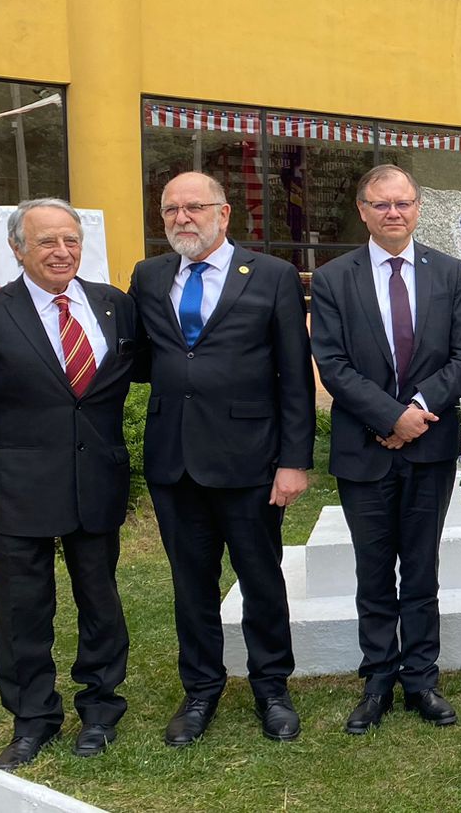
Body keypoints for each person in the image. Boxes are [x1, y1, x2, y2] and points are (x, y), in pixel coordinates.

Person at [0, 198, 137, 770]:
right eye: (47, 242)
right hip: (15, 490)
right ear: (18, 249)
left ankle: (100, 709)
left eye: (71, 240)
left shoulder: (113, 307)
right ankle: (32, 719)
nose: (62, 252)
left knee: (100, 601)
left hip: (95, 482)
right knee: (23, 609)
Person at [128, 172, 315, 746]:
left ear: (224, 213)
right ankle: (201, 690)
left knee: (260, 579)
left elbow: (294, 378)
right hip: (174, 460)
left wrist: (293, 460)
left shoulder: (274, 276)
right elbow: (136, 356)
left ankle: (272, 688)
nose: (182, 218)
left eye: (194, 207)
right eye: (170, 210)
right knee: (191, 583)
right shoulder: (149, 276)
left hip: (251, 461)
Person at [310, 164, 461, 733]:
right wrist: (389, 416)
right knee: (374, 569)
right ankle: (378, 679)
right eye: (381, 204)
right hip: (365, 449)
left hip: (429, 448)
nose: (393, 213)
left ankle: (421, 680)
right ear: (362, 210)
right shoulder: (334, 278)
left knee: (422, 568)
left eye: (403, 203)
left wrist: (415, 414)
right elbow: (331, 363)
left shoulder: (449, 273)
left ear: (418, 207)